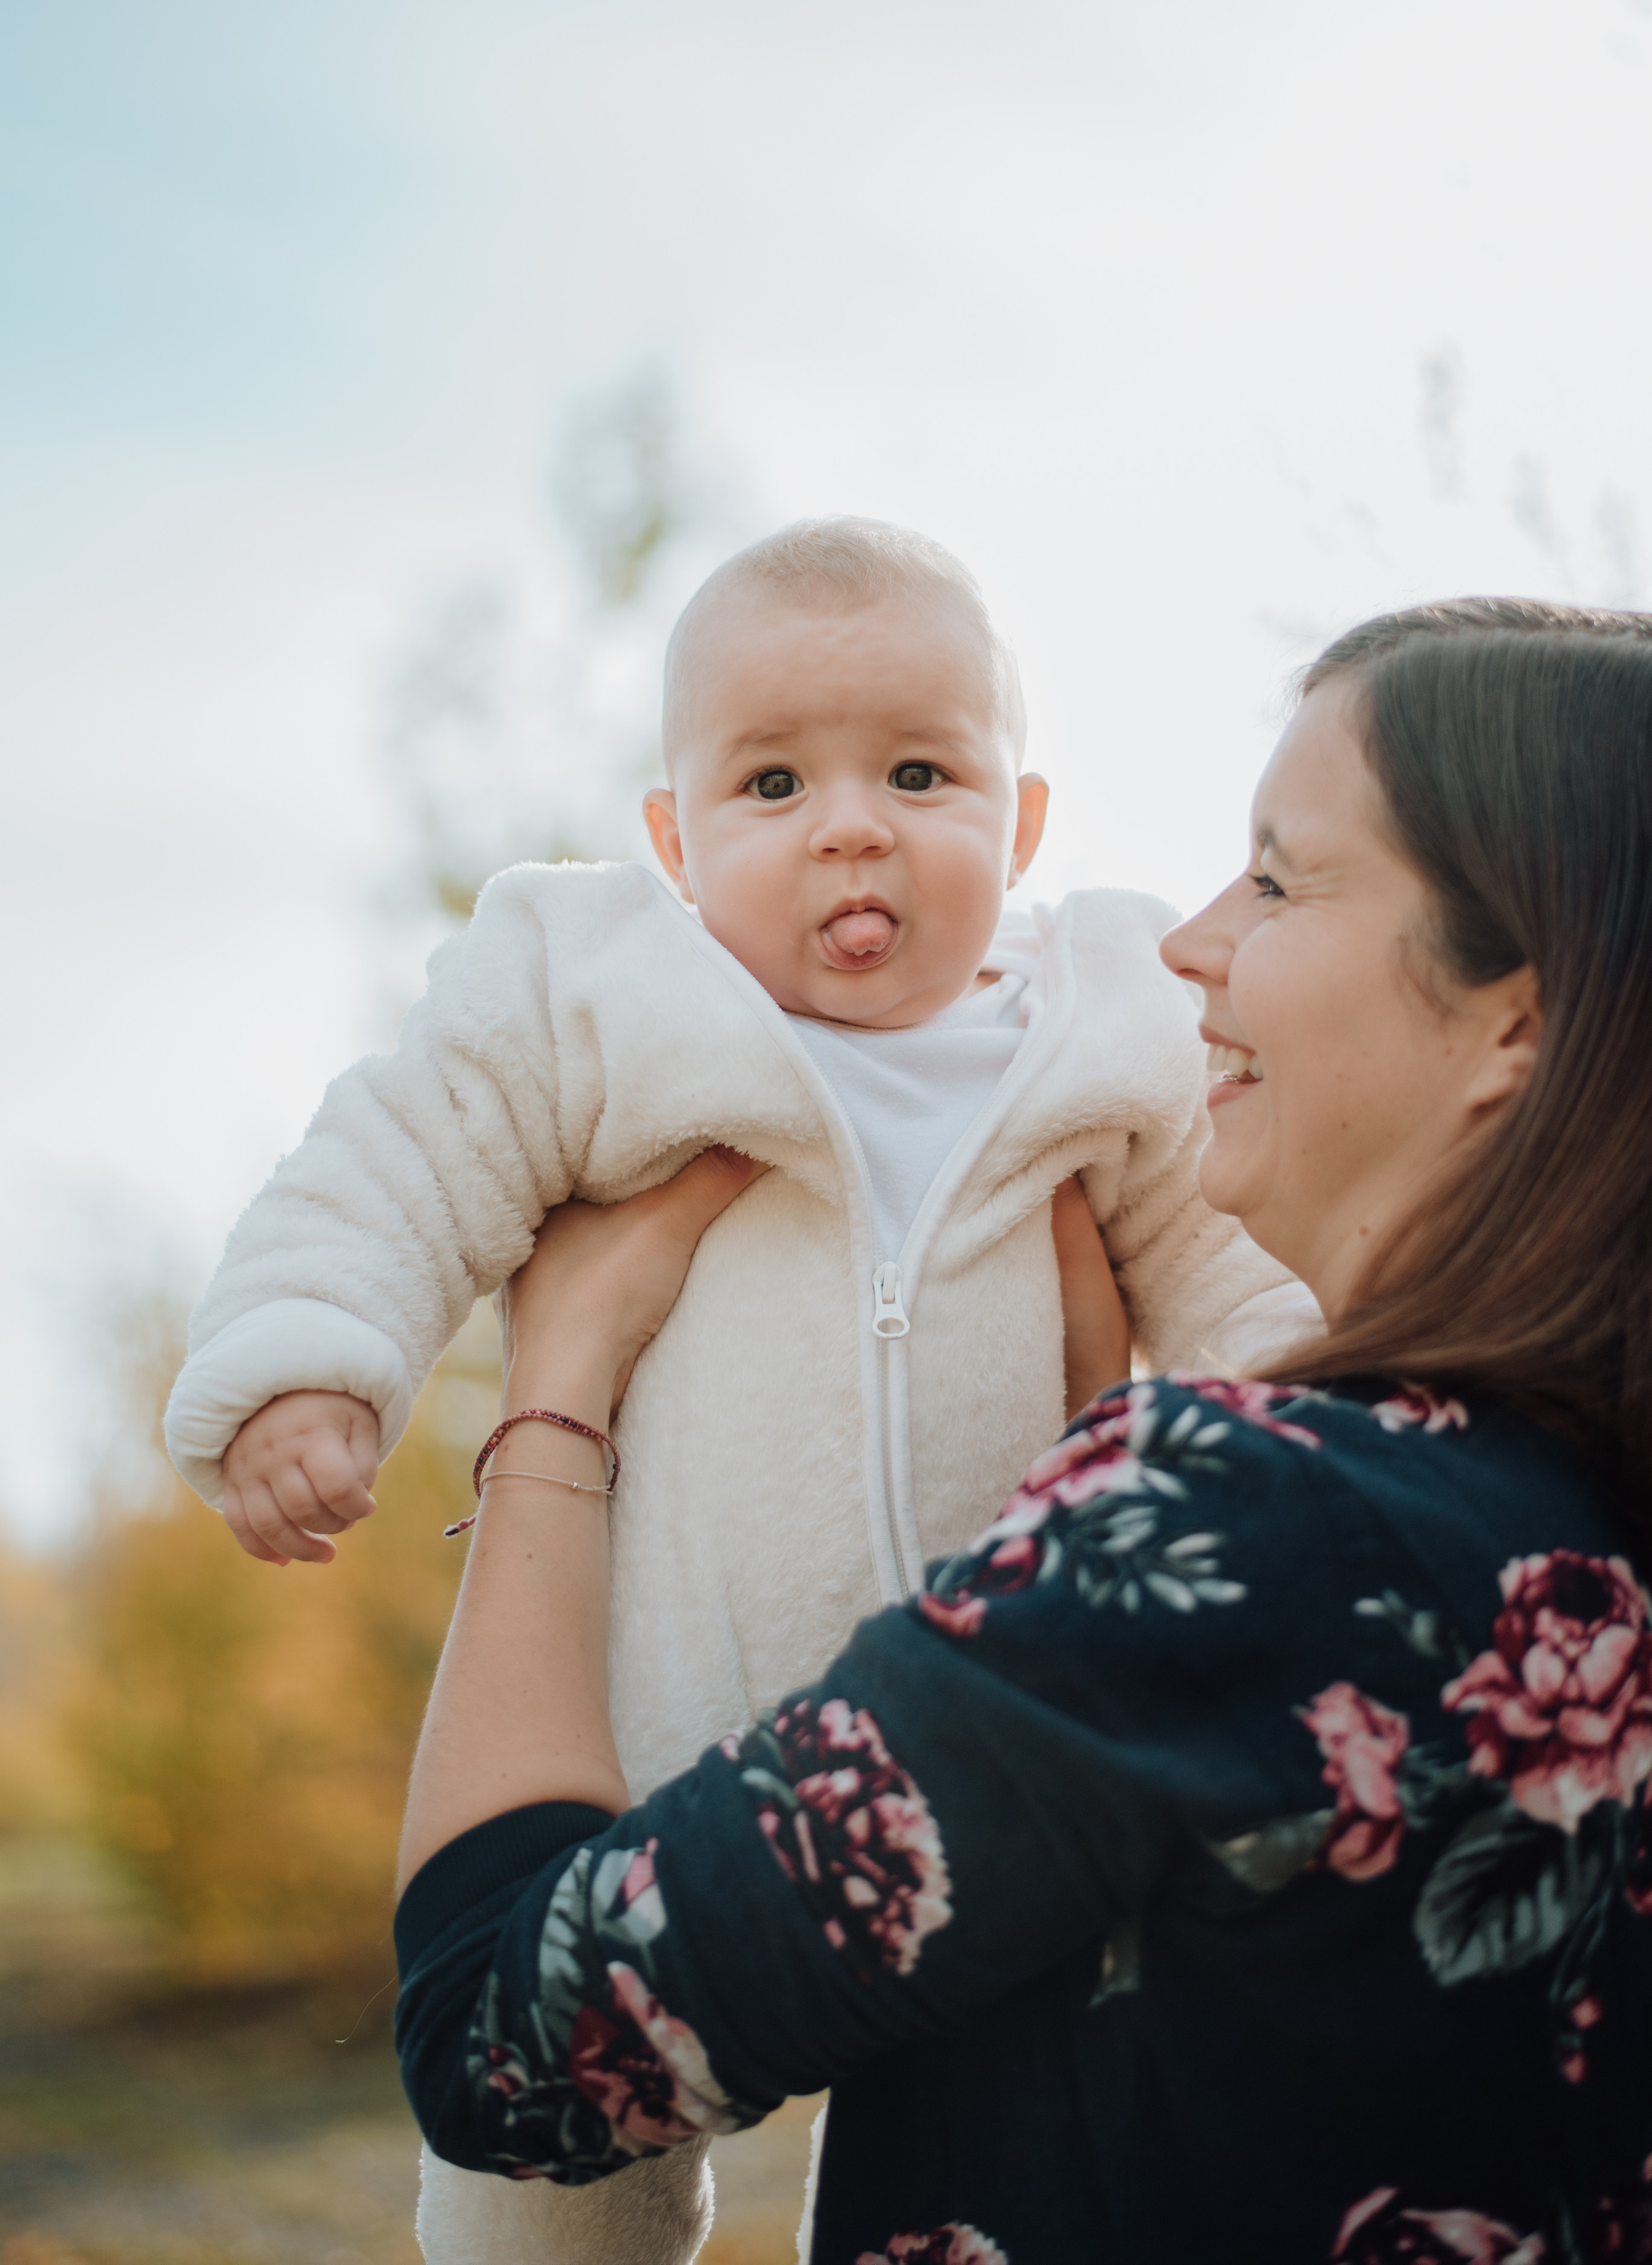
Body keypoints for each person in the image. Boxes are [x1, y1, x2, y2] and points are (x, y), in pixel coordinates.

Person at [393, 598, 1652, 2264]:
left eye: (1277, 877)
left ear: (1516, 1015)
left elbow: (508, 2039)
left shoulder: (1236, 1534)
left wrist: (555, 1395)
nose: (1191, 941)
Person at [163, 516, 1311, 2262]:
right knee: (555, 2160)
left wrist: (1328, 1440)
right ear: (673, 842)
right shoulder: (596, 989)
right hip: (657, 1701)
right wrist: (310, 1359)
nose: (850, 821)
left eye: (920, 771)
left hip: (998, 1724)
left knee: (1027, 2115)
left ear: (1022, 824)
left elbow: (1238, 1273)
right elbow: (402, 1153)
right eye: (771, 784)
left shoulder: (1105, 1026)